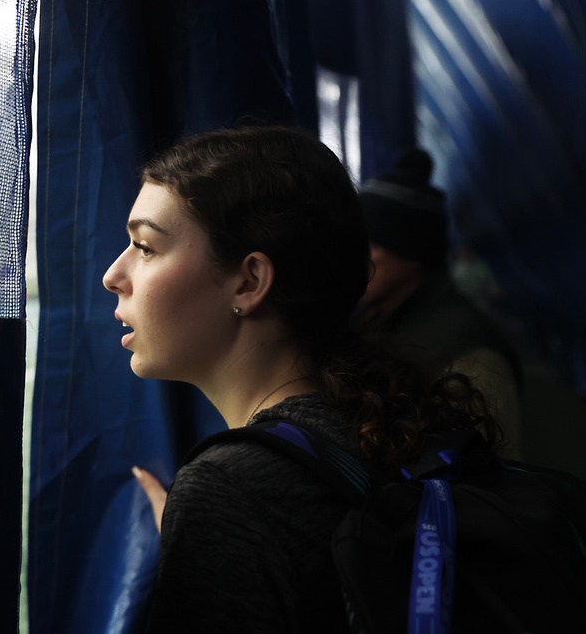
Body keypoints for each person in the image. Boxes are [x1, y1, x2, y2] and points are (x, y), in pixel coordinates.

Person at [102, 126, 502, 632]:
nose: (113, 275)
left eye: (145, 247)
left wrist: (213, 527)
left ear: (249, 282)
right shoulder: (396, 423)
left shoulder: (231, 488)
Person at [356, 149, 523, 458]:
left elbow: (488, 484)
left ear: (412, 252)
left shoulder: (471, 359)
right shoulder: (367, 314)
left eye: (371, 244)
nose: (352, 258)